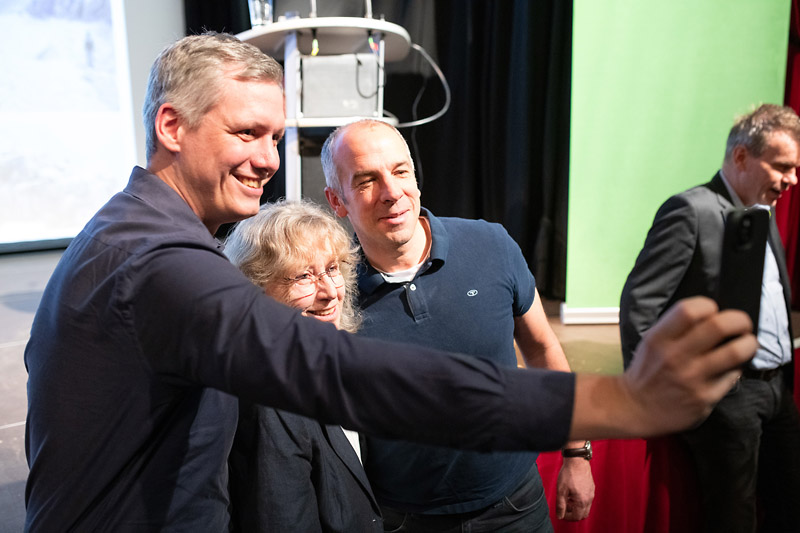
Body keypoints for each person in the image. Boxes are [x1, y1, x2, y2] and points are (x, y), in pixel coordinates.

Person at [22, 31, 756, 532]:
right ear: (172, 127)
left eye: (276, 137)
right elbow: (343, 373)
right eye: (247, 133)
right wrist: (617, 400)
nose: (270, 159)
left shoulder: (131, 233)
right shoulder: (157, 261)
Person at [321, 119, 594, 532]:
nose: (392, 193)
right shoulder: (334, 293)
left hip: (516, 505)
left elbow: (542, 349)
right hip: (404, 519)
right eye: (366, 181)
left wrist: (576, 453)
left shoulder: (491, 245)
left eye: (400, 171)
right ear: (337, 201)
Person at [619, 103, 800, 533]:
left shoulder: (763, 208)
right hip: (729, 397)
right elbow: (639, 303)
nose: (792, 179)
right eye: (782, 167)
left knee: (789, 506)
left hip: (778, 390)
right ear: (741, 157)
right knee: (733, 519)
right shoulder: (691, 210)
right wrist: (647, 389)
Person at [225, 199, 381, 532]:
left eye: (332, 268)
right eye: (303, 276)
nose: (329, 292)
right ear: (256, 292)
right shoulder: (270, 401)